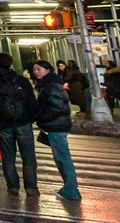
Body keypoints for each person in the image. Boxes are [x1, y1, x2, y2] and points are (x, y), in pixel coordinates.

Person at [0, 52, 39, 196]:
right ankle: (31, 188)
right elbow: (31, 101)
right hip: (23, 123)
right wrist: (31, 118)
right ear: (11, 64)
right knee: (28, 157)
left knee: (8, 158)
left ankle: (13, 187)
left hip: (3, 125)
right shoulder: (22, 80)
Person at [31, 59, 80, 201]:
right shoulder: (50, 84)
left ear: (48, 70)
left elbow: (58, 107)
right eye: (34, 70)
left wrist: (41, 119)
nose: (36, 72)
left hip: (57, 126)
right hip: (57, 125)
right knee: (61, 158)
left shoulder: (51, 85)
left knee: (62, 158)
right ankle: (70, 188)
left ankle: (71, 190)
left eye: (39, 69)